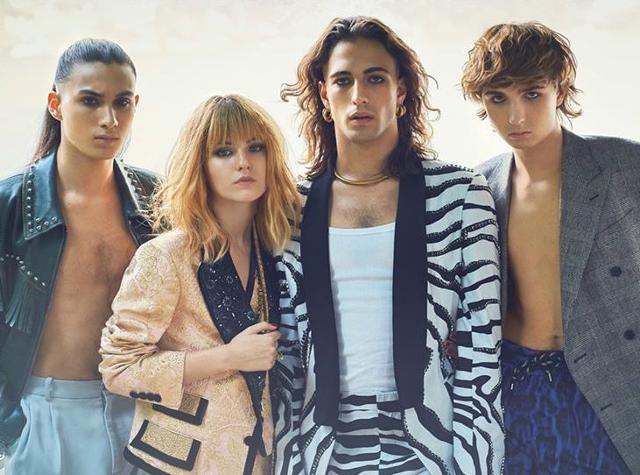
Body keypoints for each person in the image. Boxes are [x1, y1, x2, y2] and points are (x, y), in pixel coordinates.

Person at [272, 16, 504, 475]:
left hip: (431, 445)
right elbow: (286, 354)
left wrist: (476, 464)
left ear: (401, 91)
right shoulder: (290, 206)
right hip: (325, 446)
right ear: (323, 95)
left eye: (375, 78)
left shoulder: (459, 194)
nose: (359, 94)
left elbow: (482, 347)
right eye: (343, 80)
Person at [462, 21, 638, 474]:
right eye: (498, 98)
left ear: (559, 89)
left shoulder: (624, 166)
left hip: (614, 381)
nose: (515, 117)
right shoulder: (480, 188)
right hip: (520, 389)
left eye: (532, 94)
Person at [99, 94, 299, 474]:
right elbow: (119, 369)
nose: (243, 162)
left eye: (255, 147)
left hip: (258, 461)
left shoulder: (274, 250)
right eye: (224, 151)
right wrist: (228, 357)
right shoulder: (166, 255)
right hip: (176, 464)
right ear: (200, 165)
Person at [0, 38, 158, 475]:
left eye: (122, 102)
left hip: (142, 413)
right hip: (45, 416)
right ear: (56, 104)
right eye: (90, 101)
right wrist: (11, 427)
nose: (110, 119)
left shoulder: (158, 199)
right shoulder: (10, 206)